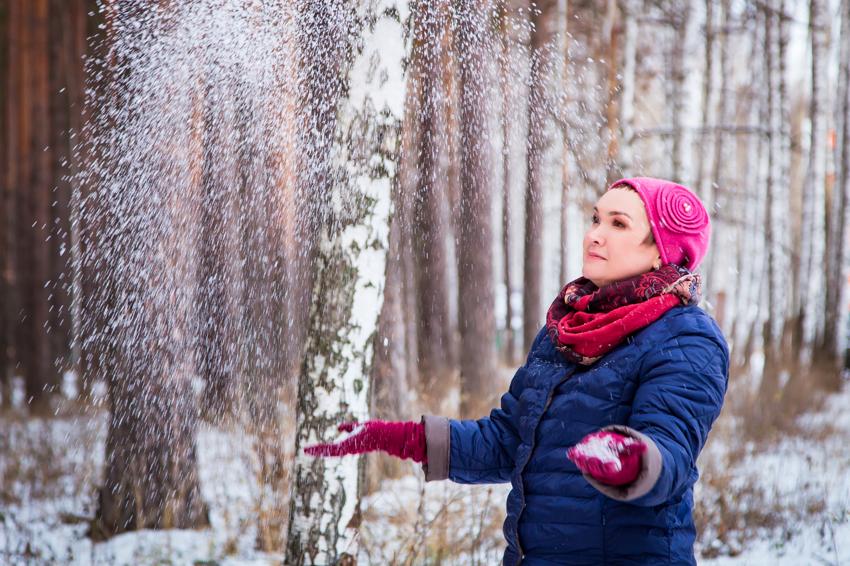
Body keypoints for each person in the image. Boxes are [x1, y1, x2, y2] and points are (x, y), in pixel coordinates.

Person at [305, 177, 729, 565]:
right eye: (596, 218)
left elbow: (669, 452)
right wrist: (399, 437)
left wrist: (633, 461)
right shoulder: (565, 332)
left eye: (618, 224)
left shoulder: (686, 337)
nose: (594, 234)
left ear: (661, 251)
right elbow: (509, 441)